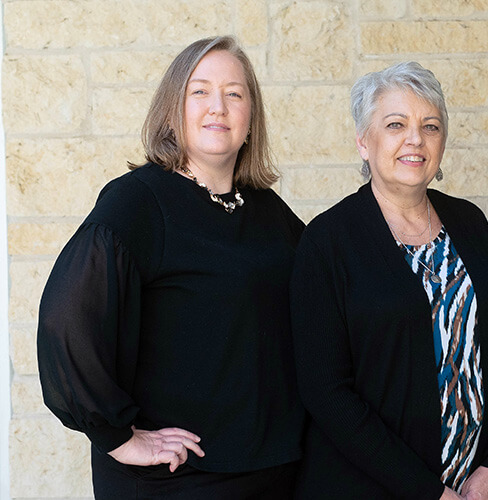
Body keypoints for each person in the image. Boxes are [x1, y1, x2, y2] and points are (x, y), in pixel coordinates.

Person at [37, 36, 305, 499]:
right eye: (199, 91)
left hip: (272, 472)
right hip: (178, 478)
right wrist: (117, 437)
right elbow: (68, 318)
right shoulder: (138, 202)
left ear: (251, 118)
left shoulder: (268, 212)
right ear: (171, 110)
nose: (218, 107)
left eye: (234, 93)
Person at [289, 62, 488, 500]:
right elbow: (326, 393)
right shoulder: (327, 241)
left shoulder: (470, 223)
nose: (415, 139)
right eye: (396, 124)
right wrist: (428, 492)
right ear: (363, 141)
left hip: (477, 489)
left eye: (430, 126)